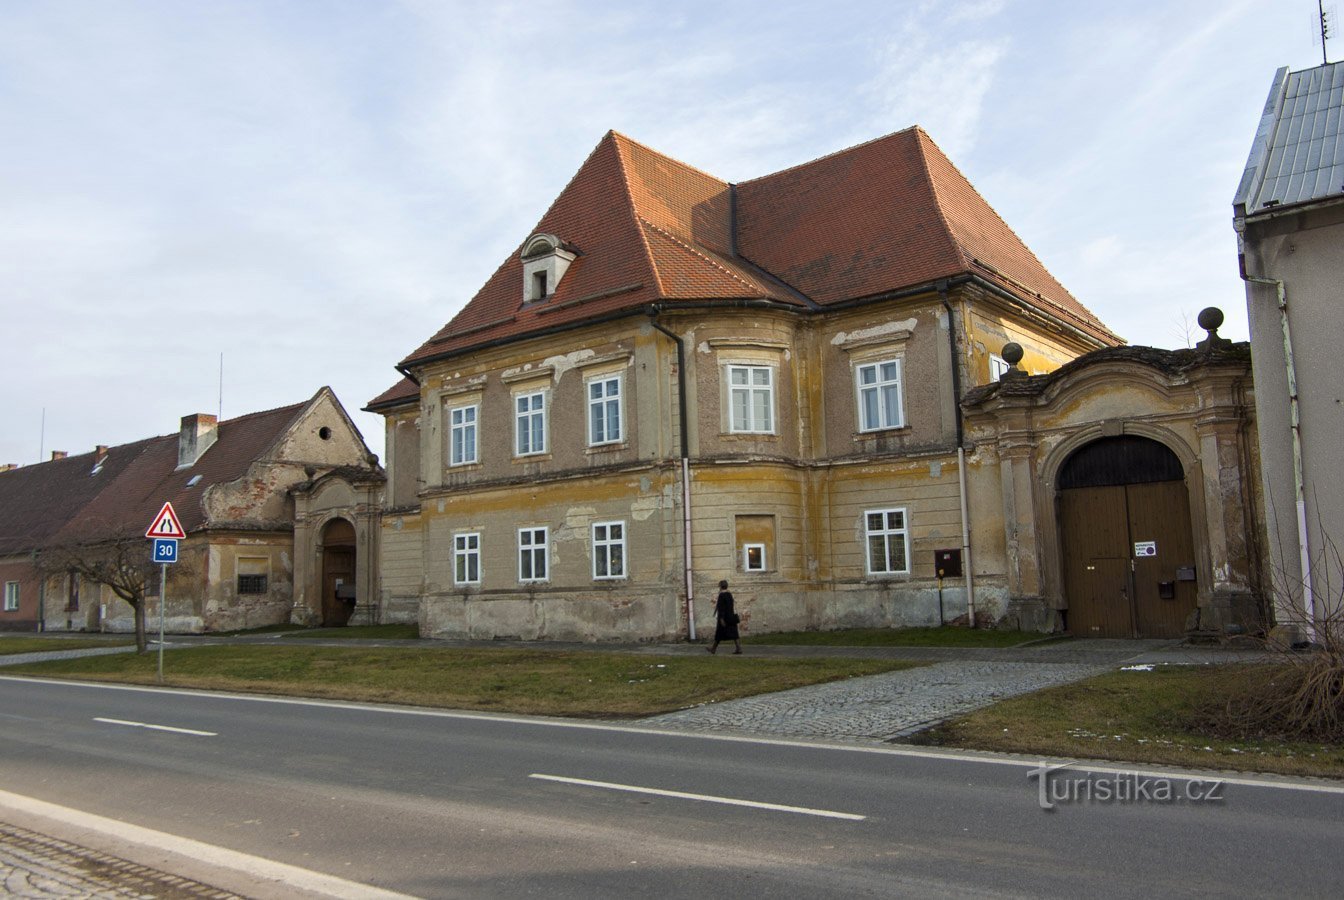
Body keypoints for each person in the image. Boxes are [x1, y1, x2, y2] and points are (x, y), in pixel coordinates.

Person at [708, 579, 741, 654]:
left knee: (719, 633)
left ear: (720, 586)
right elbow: (731, 605)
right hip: (731, 616)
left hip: (724, 617)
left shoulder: (721, 595)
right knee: (734, 633)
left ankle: (713, 649)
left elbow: (721, 607)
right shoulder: (729, 594)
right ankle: (738, 648)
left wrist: (721, 618)